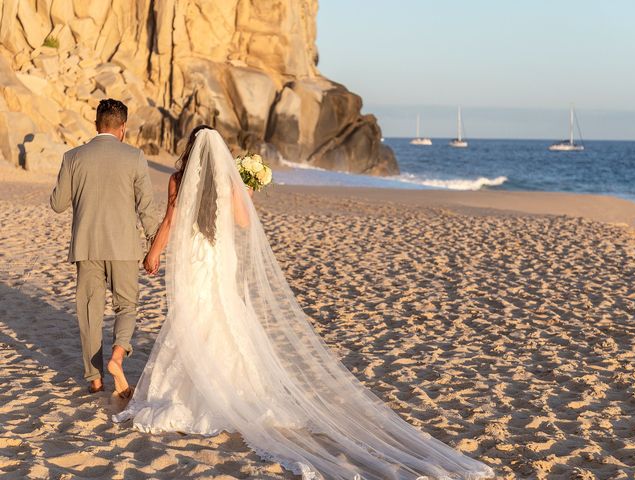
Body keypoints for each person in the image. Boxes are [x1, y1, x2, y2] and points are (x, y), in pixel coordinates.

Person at [114, 126, 494, 480]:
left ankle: (191, 391)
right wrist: (246, 191)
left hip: (195, 261)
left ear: (191, 151)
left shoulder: (179, 180)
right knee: (223, 316)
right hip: (218, 258)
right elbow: (245, 225)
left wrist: (154, 254)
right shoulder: (227, 184)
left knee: (194, 318)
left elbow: (170, 219)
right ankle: (230, 389)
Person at [50, 99, 158, 397]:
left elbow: (58, 204)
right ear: (123, 128)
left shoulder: (73, 156)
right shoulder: (135, 157)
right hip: (124, 245)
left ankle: (95, 379)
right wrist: (154, 246)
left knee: (89, 312)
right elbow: (147, 208)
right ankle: (117, 357)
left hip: (86, 245)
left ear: (96, 124)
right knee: (127, 305)